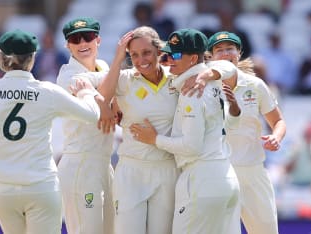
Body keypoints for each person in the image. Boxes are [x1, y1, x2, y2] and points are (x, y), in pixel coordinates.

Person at [0, 29, 102, 234]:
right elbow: (92, 115)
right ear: (32, 58)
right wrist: (85, 92)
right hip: (40, 186)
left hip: (3, 189)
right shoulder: (46, 90)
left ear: (2, 58)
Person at [95, 26, 237, 234]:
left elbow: (229, 68)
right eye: (133, 54)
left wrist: (205, 74)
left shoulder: (179, 78)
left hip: (168, 169)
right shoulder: (124, 78)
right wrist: (116, 62)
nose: (141, 59)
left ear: (159, 52)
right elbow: (97, 92)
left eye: (146, 53)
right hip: (132, 170)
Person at [207, 31, 287, 234]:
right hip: (218, 173)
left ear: (239, 52)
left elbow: (278, 121)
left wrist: (276, 137)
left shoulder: (255, 84)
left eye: (229, 49)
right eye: (219, 50)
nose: (225, 54)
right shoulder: (204, 86)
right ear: (210, 56)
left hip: (253, 171)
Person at [56, 17, 114, 234]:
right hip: (80, 163)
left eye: (88, 37)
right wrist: (119, 74)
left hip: (104, 163)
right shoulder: (66, 75)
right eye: (75, 39)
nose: (82, 44)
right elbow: (93, 81)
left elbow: (106, 80)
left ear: (98, 40)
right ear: (67, 45)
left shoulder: (104, 67)